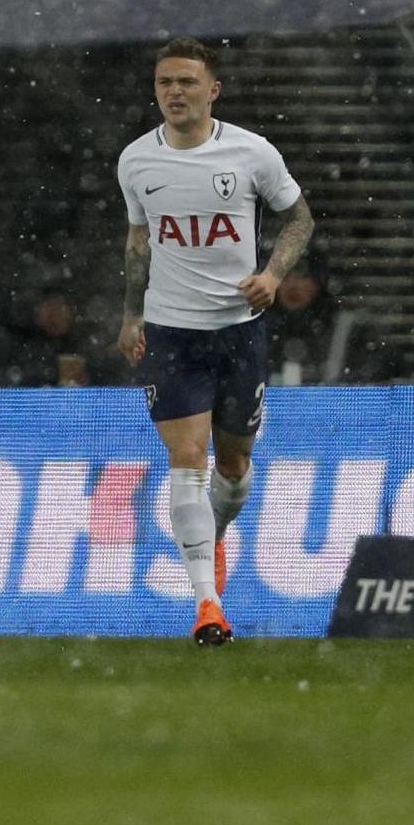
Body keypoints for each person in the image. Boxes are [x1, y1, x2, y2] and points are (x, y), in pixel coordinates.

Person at [115, 35, 314, 647]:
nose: (174, 93)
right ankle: (207, 604)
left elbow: (300, 219)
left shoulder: (252, 154)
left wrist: (273, 275)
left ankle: (213, 539)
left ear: (213, 90)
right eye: (164, 83)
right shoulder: (135, 161)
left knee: (233, 465)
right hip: (171, 332)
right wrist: (131, 315)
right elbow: (139, 241)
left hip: (239, 332)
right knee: (188, 460)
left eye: (186, 82)